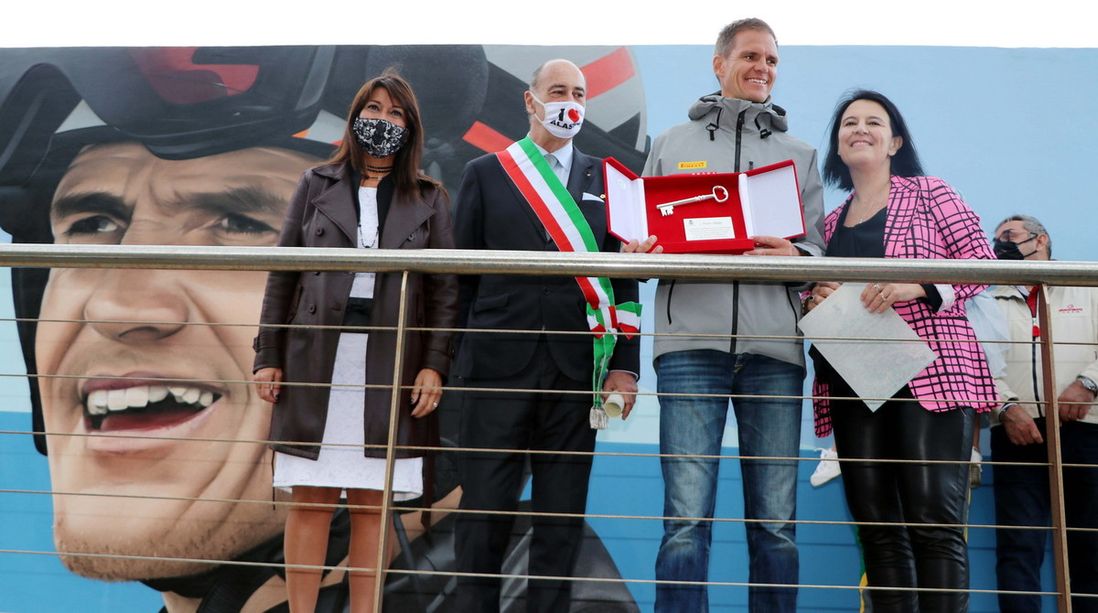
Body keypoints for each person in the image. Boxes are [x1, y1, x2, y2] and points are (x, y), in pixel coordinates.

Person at [253, 71, 458, 612]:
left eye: (396, 113)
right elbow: (282, 275)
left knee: (373, 502)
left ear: (410, 127)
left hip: (390, 363)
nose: (384, 121)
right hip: (317, 358)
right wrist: (267, 356)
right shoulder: (313, 184)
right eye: (374, 109)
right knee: (312, 500)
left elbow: (444, 291)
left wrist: (434, 365)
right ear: (355, 117)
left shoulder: (431, 199)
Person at [639, 18, 825, 613]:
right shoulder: (670, 145)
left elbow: (819, 250)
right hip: (689, 347)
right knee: (685, 522)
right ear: (718, 64)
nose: (762, 68)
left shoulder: (801, 155)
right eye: (750, 56)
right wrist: (639, 248)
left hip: (774, 353)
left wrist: (796, 255)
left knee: (775, 524)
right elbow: (641, 242)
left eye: (771, 59)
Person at [450, 58, 641, 612]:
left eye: (579, 93)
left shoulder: (610, 178)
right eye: (558, 91)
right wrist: (447, 361)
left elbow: (623, 282)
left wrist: (626, 364)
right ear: (530, 101)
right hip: (495, 368)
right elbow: (460, 279)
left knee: (560, 520)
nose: (570, 102)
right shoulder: (485, 173)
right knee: (485, 513)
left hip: (576, 369)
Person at [805, 89, 997, 612]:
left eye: (872, 121)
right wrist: (817, 295)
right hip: (852, 384)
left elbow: (984, 265)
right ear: (838, 145)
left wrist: (918, 285)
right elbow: (814, 296)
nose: (858, 129)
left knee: (934, 521)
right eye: (848, 123)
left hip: (930, 379)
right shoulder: (830, 220)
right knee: (876, 528)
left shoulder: (932, 193)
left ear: (895, 141)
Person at [987, 214, 1098, 613]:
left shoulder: (1085, 284)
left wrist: (1088, 383)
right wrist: (1006, 408)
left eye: (1010, 236)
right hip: (1017, 432)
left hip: (1085, 430)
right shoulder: (987, 297)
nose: (1001, 244)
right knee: (1019, 545)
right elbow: (977, 360)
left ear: (1042, 240)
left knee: (1090, 544)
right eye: (996, 238)